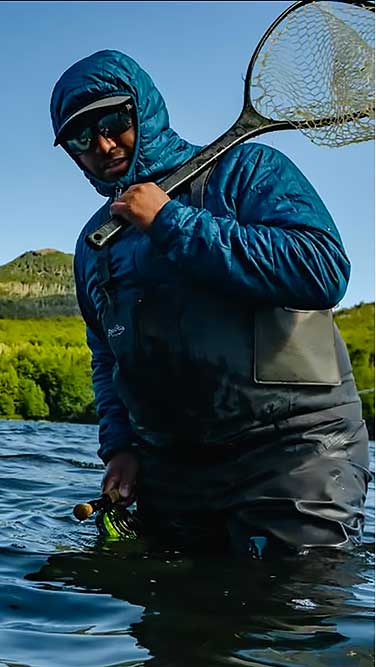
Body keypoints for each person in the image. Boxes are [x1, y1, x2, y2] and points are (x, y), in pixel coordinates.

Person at [49, 50, 371, 555]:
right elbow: (108, 358)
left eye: (113, 122)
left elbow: (321, 270)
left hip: (296, 452)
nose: (103, 144)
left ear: (144, 112)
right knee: (174, 624)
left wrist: (170, 222)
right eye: (81, 137)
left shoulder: (249, 170)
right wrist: (120, 448)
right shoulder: (96, 243)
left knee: (294, 619)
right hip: (174, 469)